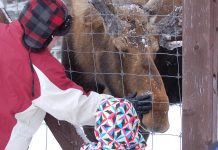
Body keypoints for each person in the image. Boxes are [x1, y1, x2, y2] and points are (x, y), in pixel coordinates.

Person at [0, 0, 152, 149]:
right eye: (58, 34)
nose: (59, 39)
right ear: (50, 36)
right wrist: (122, 108)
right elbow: (76, 105)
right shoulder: (40, 70)